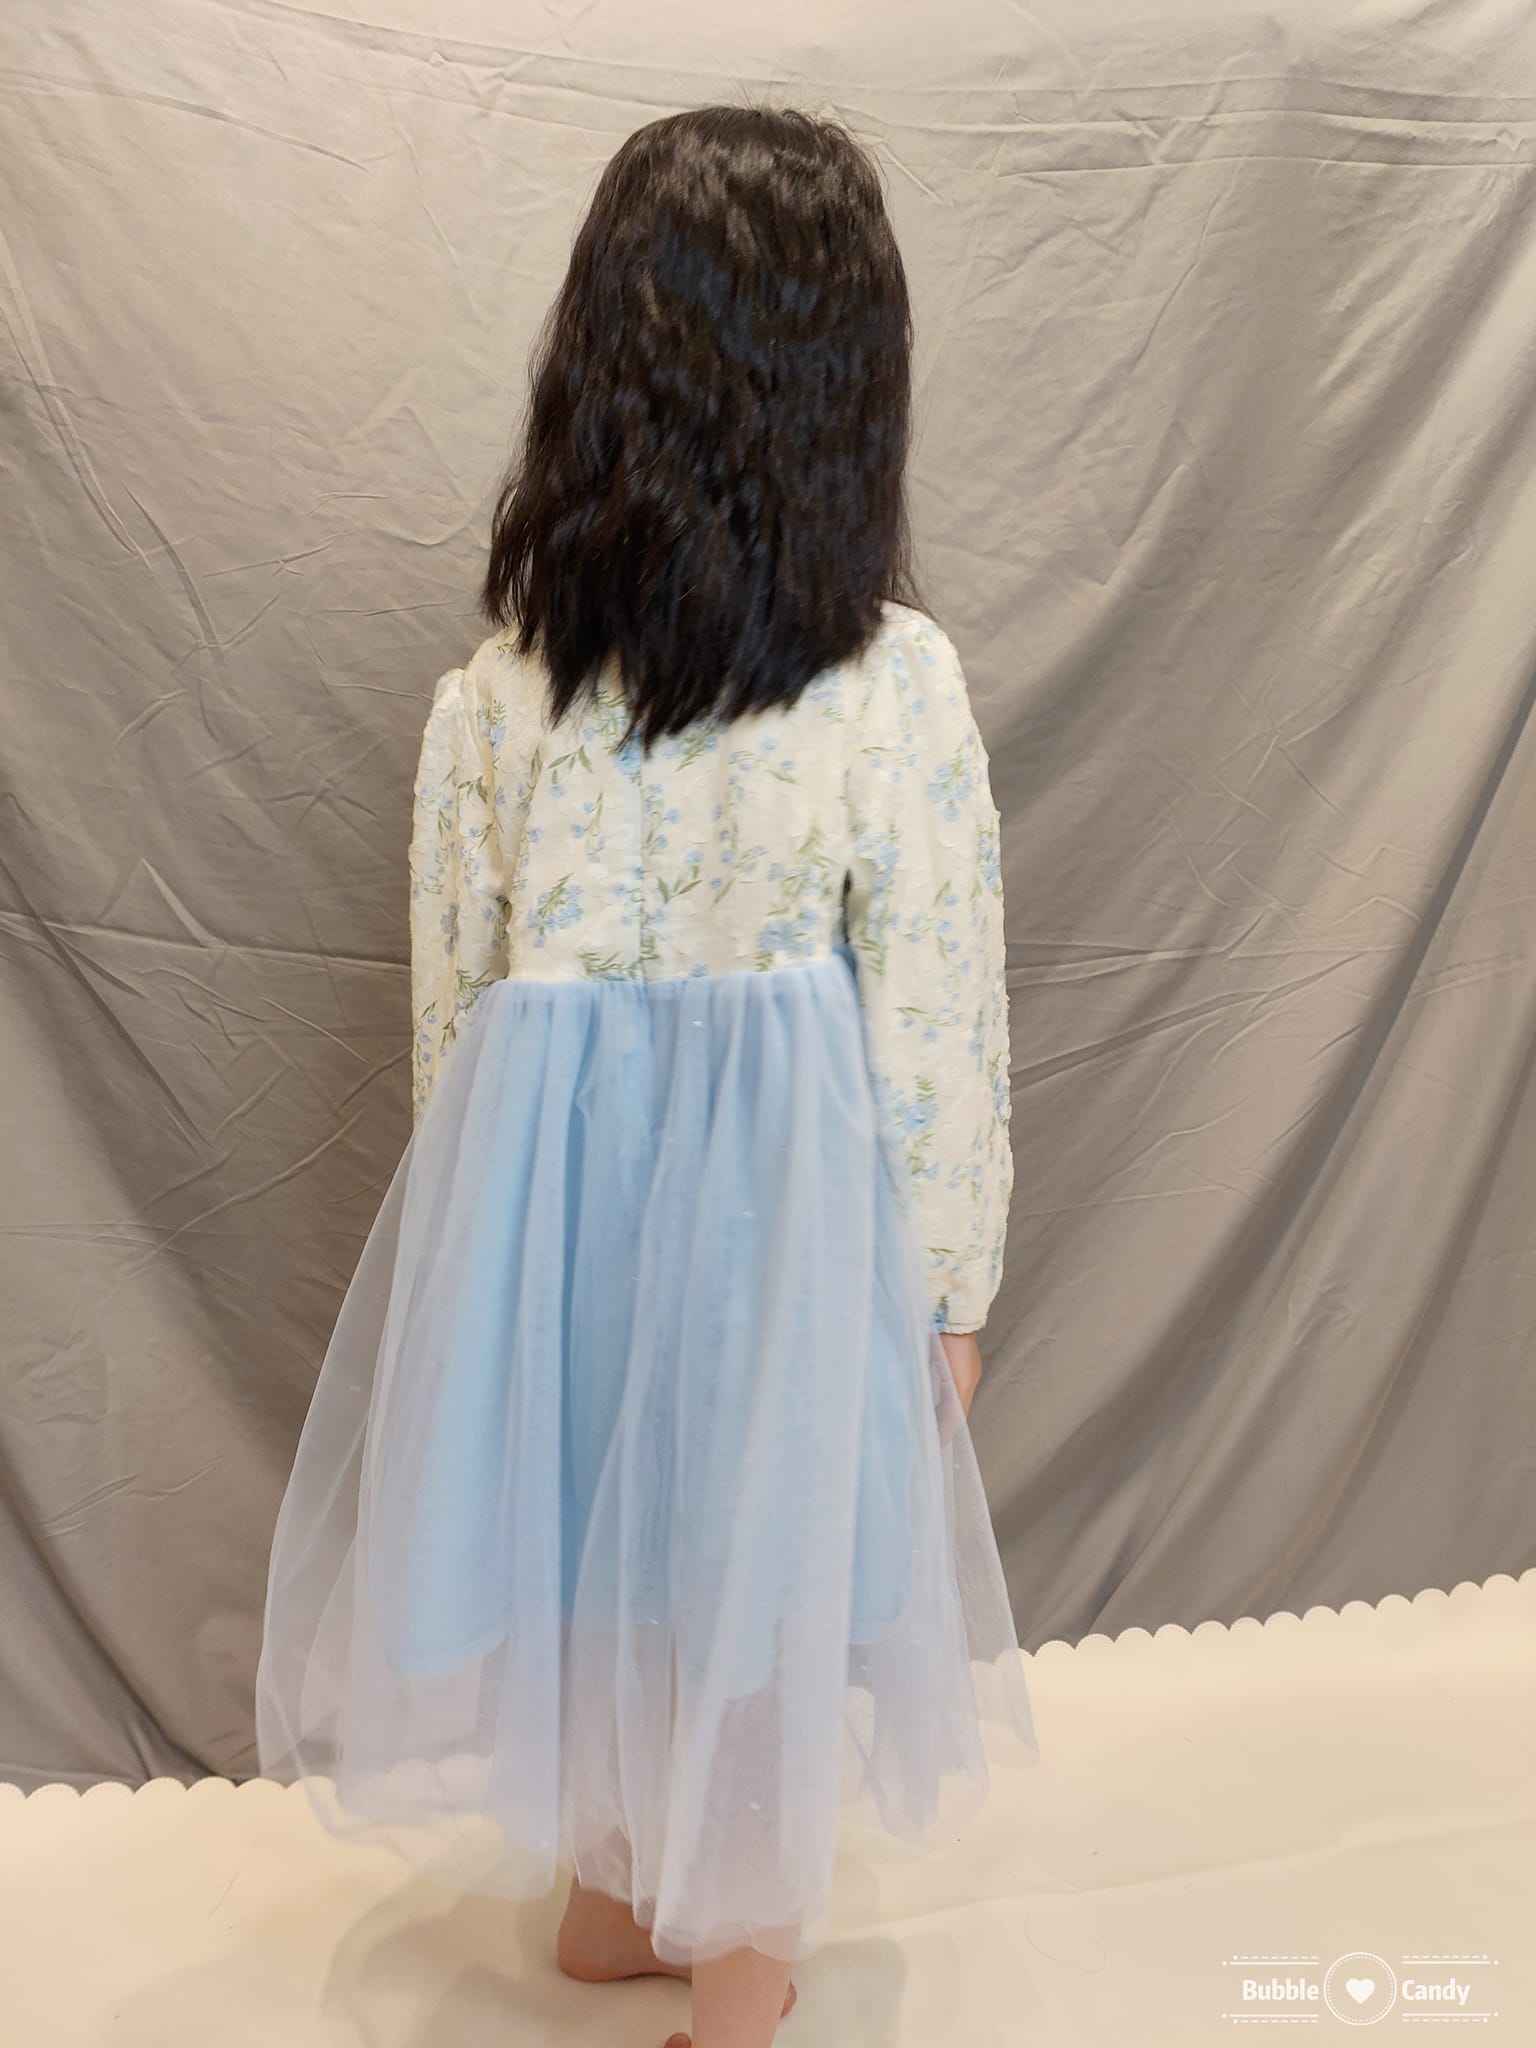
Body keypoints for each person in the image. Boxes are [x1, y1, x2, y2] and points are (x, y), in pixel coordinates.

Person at [254, 101, 1039, 2048]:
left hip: (559, 1225)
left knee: (597, 1558)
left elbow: (460, 1009)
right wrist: (949, 1285)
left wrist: (475, 1264)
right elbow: (936, 1007)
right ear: (847, 389)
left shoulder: (501, 690)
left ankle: (608, 1896)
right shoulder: (887, 686)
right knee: (755, 1584)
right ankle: (739, 1966)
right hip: (786, 1239)